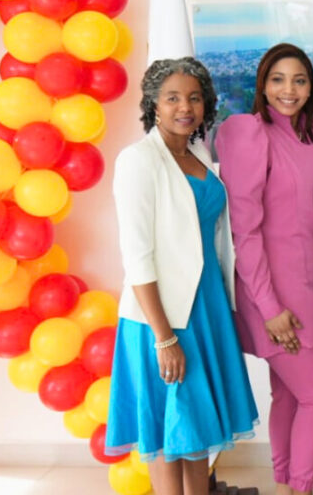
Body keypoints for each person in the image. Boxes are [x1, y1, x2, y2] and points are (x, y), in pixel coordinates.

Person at [107, 57, 258, 495]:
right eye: (172, 97)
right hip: (166, 316)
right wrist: (164, 337)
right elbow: (137, 257)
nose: (184, 107)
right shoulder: (138, 160)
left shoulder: (199, 155)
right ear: (154, 103)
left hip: (206, 306)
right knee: (171, 433)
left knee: (198, 439)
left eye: (194, 97)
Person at [215, 43, 313, 495]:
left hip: (311, 287)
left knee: (289, 394)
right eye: (278, 79)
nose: (289, 90)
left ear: (310, 87)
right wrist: (269, 307)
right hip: (271, 292)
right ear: (262, 85)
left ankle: (286, 483)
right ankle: (300, 490)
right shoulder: (247, 131)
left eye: (299, 80)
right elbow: (244, 232)